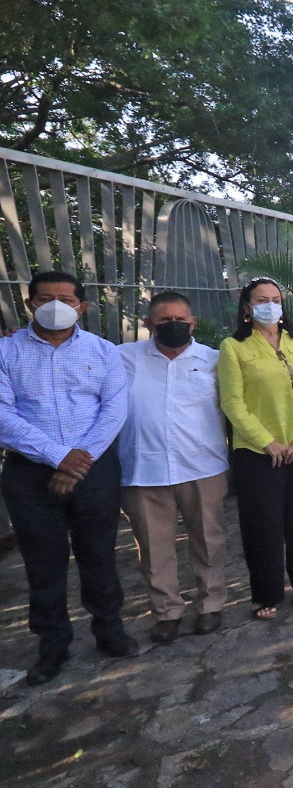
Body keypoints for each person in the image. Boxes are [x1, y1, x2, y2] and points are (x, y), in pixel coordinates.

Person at [0, 270, 136, 686]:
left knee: (98, 553)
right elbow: (3, 414)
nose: (56, 305)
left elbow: (114, 409)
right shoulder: (6, 352)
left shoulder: (103, 351)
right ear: (29, 304)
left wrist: (81, 461)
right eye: (45, 298)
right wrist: (60, 457)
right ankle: (52, 645)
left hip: (93, 468)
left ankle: (109, 629)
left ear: (83, 306)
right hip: (29, 472)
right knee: (43, 562)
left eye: (66, 298)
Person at [118, 291, 230, 644]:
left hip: (202, 466)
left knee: (208, 540)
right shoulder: (121, 358)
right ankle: (167, 612)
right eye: (164, 320)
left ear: (192, 322)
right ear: (149, 324)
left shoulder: (214, 360)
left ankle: (211, 604)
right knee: (153, 547)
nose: (173, 325)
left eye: (180, 319)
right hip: (143, 470)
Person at [218, 277, 293, 620]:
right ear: (248, 307)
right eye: (261, 299)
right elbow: (232, 403)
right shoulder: (233, 347)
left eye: (276, 298)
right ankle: (266, 594)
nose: (270, 304)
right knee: (262, 523)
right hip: (256, 453)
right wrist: (268, 442)